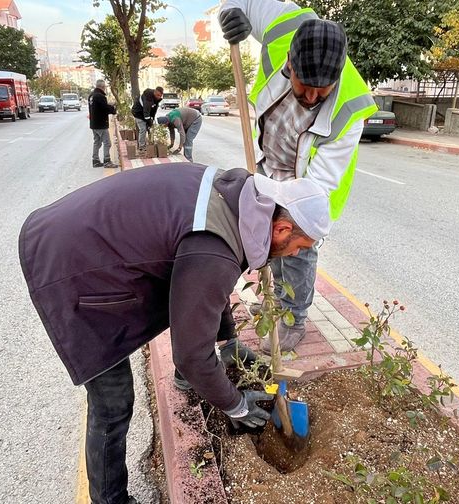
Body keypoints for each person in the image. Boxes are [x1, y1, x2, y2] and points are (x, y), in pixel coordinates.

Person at [19, 162, 330, 504]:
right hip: (69, 263)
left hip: (85, 237)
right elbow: (192, 352)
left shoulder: (237, 201)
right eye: (300, 247)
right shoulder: (214, 245)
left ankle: (187, 380)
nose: (297, 254)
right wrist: (236, 405)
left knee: (188, 309)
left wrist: (227, 340)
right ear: (283, 228)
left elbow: (205, 287)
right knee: (113, 401)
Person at [219, 0, 377, 354]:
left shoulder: (351, 109)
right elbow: (241, 2)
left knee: (296, 248)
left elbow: (316, 185)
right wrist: (229, 14)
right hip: (269, 162)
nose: (312, 97)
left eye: (323, 90)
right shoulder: (283, 25)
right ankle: (276, 301)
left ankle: (294, 318)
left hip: (309, 185)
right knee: (267, 238)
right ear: (290, 63)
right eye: (304, 85)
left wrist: (282, 216)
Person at [88, 80, 118, 168]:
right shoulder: (100, 96)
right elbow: (105, 109)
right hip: (101, 124)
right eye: (105, 87)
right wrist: (113, 109)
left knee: (97, 142)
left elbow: (97, 107)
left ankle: (95, 161)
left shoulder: (91, 96)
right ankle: (107, 161)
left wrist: (109, 105)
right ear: (102, 87)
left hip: (93, 123)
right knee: (107, 143)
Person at [130, 86, 164, 155]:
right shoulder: (148, 98)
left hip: (144, 113)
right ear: (155, 92)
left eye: (160, 96)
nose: (159, 97)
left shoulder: (156, 99)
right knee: (143, 129)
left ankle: (149, 144)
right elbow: (146, 113)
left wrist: (152, 119)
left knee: (148, 127)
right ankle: (142, 147)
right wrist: (149, 121)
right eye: (158, 95)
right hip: (138, 113)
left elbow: (153, 111)